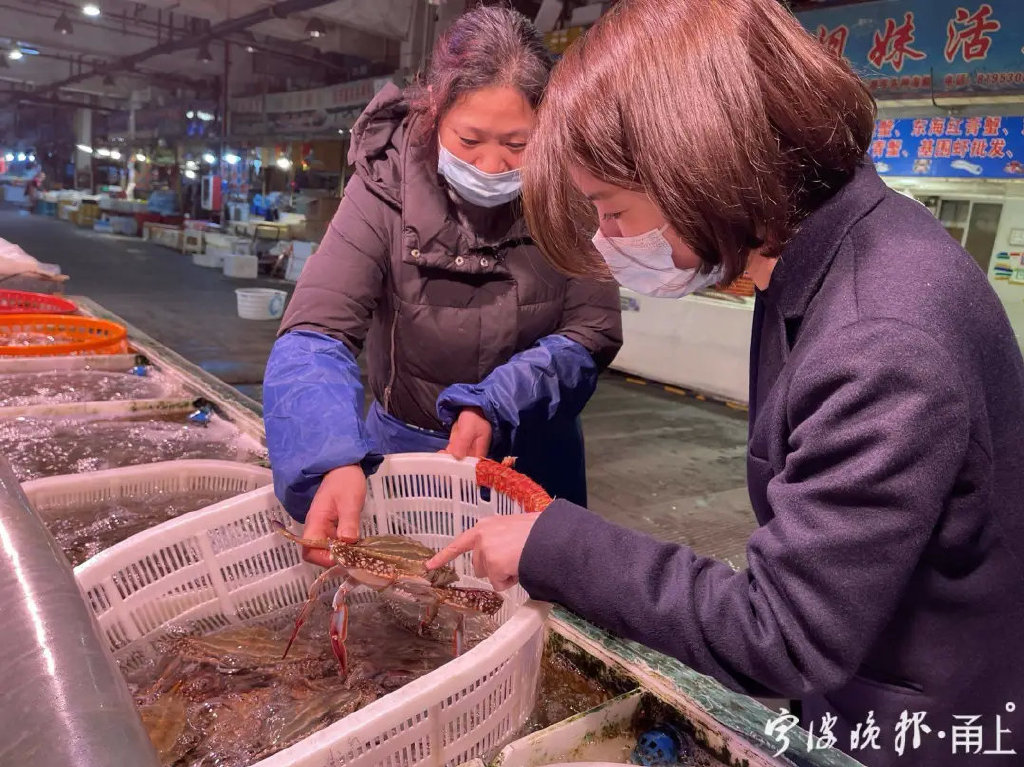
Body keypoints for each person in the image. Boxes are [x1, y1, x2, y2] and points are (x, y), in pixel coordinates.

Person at [425, 1, 1024, 765]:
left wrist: (557, 545)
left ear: (700, 163)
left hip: (931, 726)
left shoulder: (882, 335)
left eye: (613, 211)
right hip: (872, 672)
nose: (610, 243)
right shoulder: (822, 254)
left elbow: (783, 630)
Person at [263, 5, 622, 566]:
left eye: (517, 144)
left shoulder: (569, 190)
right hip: (407, 453)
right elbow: (316, 331)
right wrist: (329, 456)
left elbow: (592, 330)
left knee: (537, 620)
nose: (491, 163)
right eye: (470, 138)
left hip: (533, 454)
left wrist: (498, 403)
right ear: (435, 113)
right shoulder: (382, 185)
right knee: (404, 603)